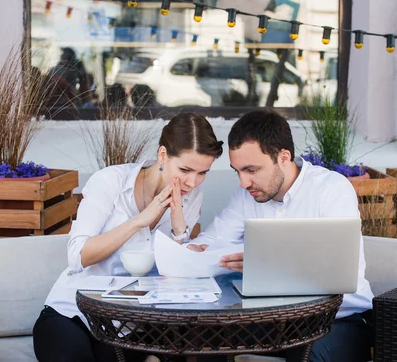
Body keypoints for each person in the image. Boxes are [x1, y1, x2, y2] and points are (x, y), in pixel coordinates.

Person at [33, 112, 224, 362]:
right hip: (72, 313)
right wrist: (140, 220)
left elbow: (174, 275)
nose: (192, 181)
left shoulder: (191, 194)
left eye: (203, 173)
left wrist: (180, 231)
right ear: (163, 155)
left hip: (129, 326)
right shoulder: (111, 181)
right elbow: (78, 256)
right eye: (185, 169)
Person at [187, 110, 374, 362]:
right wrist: (191, 250)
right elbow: (208, 242)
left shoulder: (331, 190)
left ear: (283, 157)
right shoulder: (246, 197)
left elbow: (343, 274)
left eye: (252, 169)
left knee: (308, 353)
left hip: (338, 318)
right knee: (207, 340)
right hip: (271, 320)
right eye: (238, 171)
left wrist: (267, 265)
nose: (244, 182)